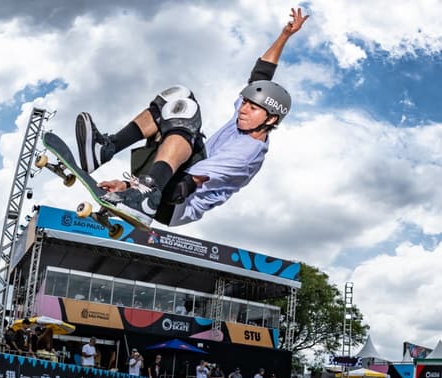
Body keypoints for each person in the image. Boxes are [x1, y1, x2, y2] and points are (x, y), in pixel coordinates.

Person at [76, 7, 309, 227]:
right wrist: (285, 35)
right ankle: (105, 149)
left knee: (186, 118)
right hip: (164, 181)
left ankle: (144, 198)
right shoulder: (245, 120)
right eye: (245, 102)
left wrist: (132, 190)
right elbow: (261, 75)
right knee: (179, 97)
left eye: (253, 108)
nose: (243, 109)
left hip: (176, 203)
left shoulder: (246, 155)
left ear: (271, 120)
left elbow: (187, 184)